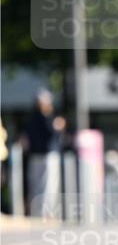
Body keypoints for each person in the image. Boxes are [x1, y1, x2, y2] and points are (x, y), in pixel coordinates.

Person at [21, 89, 65, 217]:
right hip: (47, 154)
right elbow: (52, 133)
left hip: (36, 155)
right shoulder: (47, 118)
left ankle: (39, 212)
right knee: (47, 185)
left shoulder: (31, 118)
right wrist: (58, 126)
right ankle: (45, 213)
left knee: (38, 184)